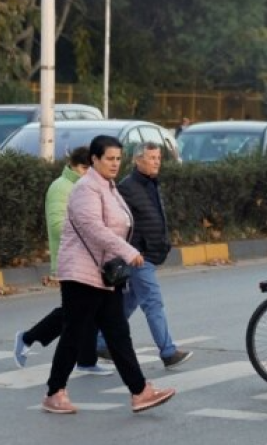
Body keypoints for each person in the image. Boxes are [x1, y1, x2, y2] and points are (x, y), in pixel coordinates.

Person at [42, 135, 176, 414]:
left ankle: (139, 392)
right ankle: (55, 393)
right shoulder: (86, 189)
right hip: (80, 274)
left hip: (103, 274)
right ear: (94, 159)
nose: (115, 164)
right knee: (74, 334)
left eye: (118, 159)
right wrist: (128, 251)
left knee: (118, 333)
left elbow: (121, 223)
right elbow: (94, 228)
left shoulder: (109, 187)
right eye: (109, 159)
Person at [14, 147, 111, 375]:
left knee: (88, 308)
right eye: (84, 168)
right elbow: (58, 226)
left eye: (91, 168)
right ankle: (28, 338)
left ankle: (86, 360)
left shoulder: (88, 187)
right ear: (74, 166)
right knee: (75, 310)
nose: (88, 172)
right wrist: (92, 229)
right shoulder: (62, 188)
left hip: (90, 257)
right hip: (72, 259)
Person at [96, 142, 192, 369]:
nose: (156, 161)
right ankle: (168, 352)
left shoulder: (151, 184)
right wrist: (129, 250)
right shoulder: (127, 187)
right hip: (139, 255)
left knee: (129, 301)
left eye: (158, 157)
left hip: (149, 253)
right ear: (138, 161)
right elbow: (117, 222)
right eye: (151, 157)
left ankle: (99, 341)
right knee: (153, 302)